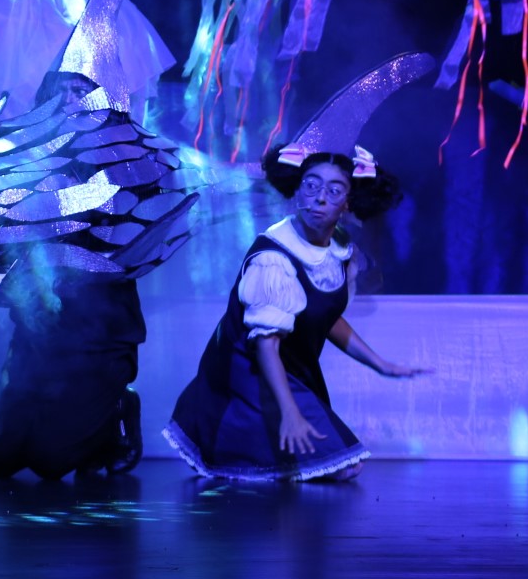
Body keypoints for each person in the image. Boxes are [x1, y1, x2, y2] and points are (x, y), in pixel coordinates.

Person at [163, 145, 429, 482]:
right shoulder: (274, 258)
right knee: (342, 465)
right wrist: (289, 412)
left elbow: (326, 318)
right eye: (311, 185)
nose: (320, 198)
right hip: (251, 373)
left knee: (344, 464)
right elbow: (266, 345)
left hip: (293, 369)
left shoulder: (339, 250)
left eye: (334, 190)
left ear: (347, 203)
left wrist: (381, 364)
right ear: (297, 191)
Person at [0, 70, 146, 481]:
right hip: (41, 323)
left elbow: (127, 232)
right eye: (62, 91)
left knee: (52, 464)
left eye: (81, 90)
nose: (70, 99)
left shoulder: (122, 159)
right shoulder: (29, 161)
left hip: (97, 327)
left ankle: (117, 410)